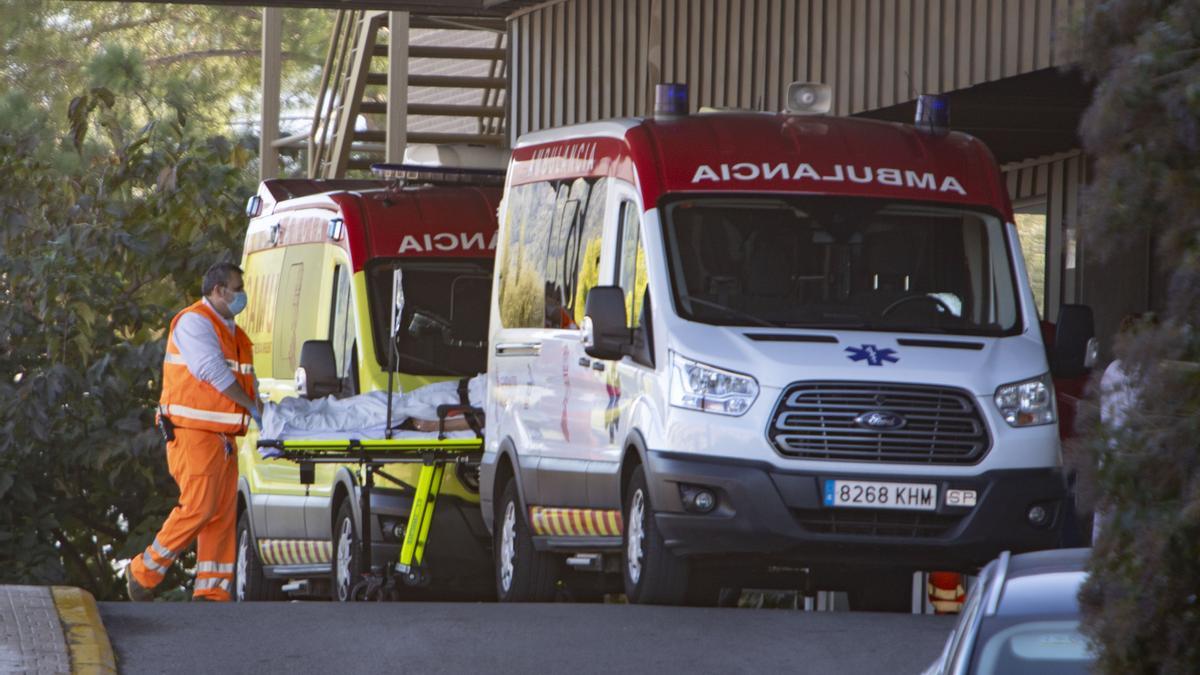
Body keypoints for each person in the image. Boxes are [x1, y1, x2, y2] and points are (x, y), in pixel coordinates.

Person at [126, 262, 261, 602]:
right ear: (218, 290)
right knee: (199, 508)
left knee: (220, 514)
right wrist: (252, 406)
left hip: (221, 436)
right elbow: (211, 372)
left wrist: (261, 408)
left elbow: (246, 381)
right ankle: (143, 571)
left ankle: (212, 592)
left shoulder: (233, 333)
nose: (241, 294)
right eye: (237, 287)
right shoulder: (195, 323)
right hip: (193, 433)